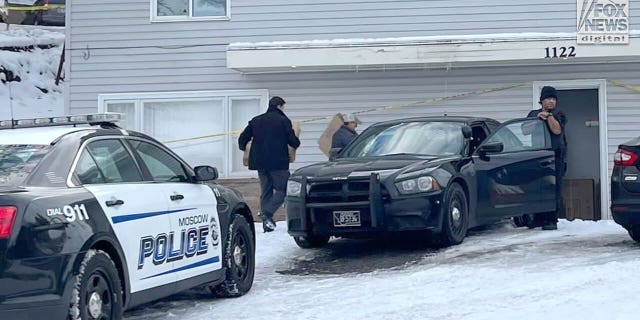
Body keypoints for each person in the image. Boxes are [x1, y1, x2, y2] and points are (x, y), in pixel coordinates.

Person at [238, 96, 300, 232]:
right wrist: (296, 143)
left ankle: (267, 223)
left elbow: (242, 138)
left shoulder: (256, 120)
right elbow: (292, 140)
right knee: (283, 190)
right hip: (278, 162)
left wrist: (245, 149)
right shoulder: (283, 121)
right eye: (283, 107)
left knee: (266, 190)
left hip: (259, 162)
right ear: (279, 106)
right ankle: (267, 213)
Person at [527, 86, 568, 230]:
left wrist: (549, 116)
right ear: (542, 100)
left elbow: (557, 130)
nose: (551, 102)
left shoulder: (559, 114)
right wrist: (537, 118)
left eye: (553, 99)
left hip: (555, 157)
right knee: (537, 187)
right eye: (548, 99)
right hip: (537, 156)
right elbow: (525, 130)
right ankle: (538, 218)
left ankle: (551, 219)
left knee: (553, 188)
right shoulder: (533, 114)